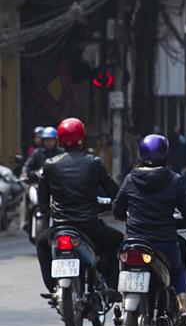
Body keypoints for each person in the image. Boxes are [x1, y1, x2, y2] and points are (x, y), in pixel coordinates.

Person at [113, 134, 186, 326]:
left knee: (122, 264)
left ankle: (120, 302)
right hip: (165, 242)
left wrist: (128, 217)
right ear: (165, 155)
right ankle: (183, 308)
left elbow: (118, 210)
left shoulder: (130, 179)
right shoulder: (174, 180)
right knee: (179, 270)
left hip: (135, 242)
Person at [36, 118, 122, 295]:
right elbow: (114, 191)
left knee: (41, 243)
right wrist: (120, 206)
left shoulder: (50, 165)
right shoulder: (94, 162)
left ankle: (53, 287)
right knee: (117, 240)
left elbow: (42, 201)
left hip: (61, 227)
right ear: (82, 138)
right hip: (89, 226)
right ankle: (112, 287)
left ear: (59, 139)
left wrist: (50, 211)